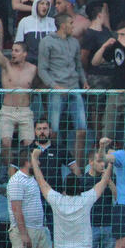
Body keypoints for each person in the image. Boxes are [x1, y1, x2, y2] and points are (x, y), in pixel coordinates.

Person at [29, 145, 111, 248]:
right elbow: (104, 181)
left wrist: (34, 159)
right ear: (79, 187)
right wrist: (110, 162)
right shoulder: (86, 199)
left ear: (64, 189)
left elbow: (41, 181)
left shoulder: (57, 200)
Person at [38, 12, 87, 163]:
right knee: (54, 130)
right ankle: (53, 161)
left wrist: (84, 81)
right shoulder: (47, 42)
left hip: (73, 87)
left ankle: (77, 166)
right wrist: (54, 86)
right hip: (57, 89)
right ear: (63, 25)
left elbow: (78, 65)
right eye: (71, 23)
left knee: (82, 129)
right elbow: (42, 69)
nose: (73, 26)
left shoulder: (75, 42)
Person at [6, 145, 50, 248]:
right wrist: (24, 234)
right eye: (36, 161)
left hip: (38, 229)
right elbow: (16, 209)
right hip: (25, 231)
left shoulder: (32, 179)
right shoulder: (16, 181)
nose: (39, 164)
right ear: (27, 162)